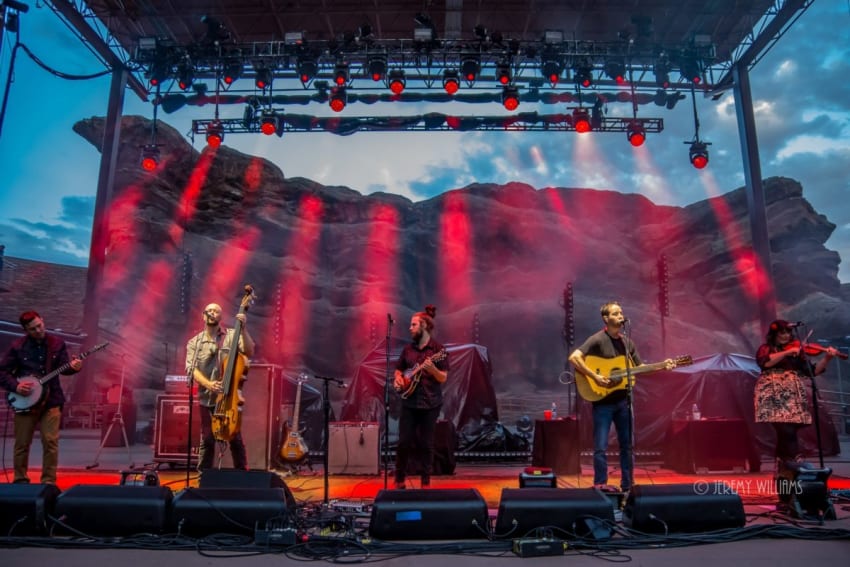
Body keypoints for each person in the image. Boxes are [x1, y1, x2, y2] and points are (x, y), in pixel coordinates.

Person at [569, 301, 672, 492]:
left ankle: (627, 486)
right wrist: (595, 376)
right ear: (606, 319)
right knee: (600, 447)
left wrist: (662, 365)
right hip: (603, 403)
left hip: (624, 402)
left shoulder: (627, 343)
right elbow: (574, 357)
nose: (620, 316)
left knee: (628, 446)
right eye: (615, 313)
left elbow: (639, 368)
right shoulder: (597, 340)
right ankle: (600, 484)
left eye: (621, 313)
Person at [0, 311, 82, 484]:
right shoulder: (17, 346)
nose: (38, 330)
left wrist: (74, 367)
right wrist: (16, 386)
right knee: (22, 444)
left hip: (51, 400)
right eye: (33, 329)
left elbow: (63, 368)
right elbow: (2, 372)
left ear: (42, 321)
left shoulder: (57, 343)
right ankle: (20, 481)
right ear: (26, 330)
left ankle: (48, 483)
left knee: (50, 442)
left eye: (39, 325)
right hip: (25, 402)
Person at [755, 319, 839, 470]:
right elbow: (765, 363)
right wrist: (786, 352)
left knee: (790, 429)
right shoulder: (766, 348)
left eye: (788, 333)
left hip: (791, 392)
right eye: (782, 333)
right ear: (774, 334)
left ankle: (783, 464)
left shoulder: (797, 353)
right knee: (783, 428)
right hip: (772, 391)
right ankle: (794, 459)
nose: (786, 336)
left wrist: (827, 357)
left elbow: (812, 371)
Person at [185, 302, 255, 472]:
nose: (212, 313)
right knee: (207, 439)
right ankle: (203, 477)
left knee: (235, 438)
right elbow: (191, 369)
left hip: (229, 397)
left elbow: (249, 350)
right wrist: (209, 384)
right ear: (204, 315)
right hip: (207, 398)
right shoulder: (195, 342)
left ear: (220, 316)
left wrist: (243, 329)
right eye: (209, 310)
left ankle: (242, 476)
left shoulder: (231, 335)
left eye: (216, 311)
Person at [392, 305, 449, 489]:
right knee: (403, 442)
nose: (410, 328)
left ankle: (425, 482)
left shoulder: (438, 350)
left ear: (424, 326)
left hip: (430, 402)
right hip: (409, 401)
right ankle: (399, 479)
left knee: (426, 444)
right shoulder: (408, 349)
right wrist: (399, 378)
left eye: (413, 324)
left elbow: (443, 377)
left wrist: (433, 370)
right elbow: (398, 369)